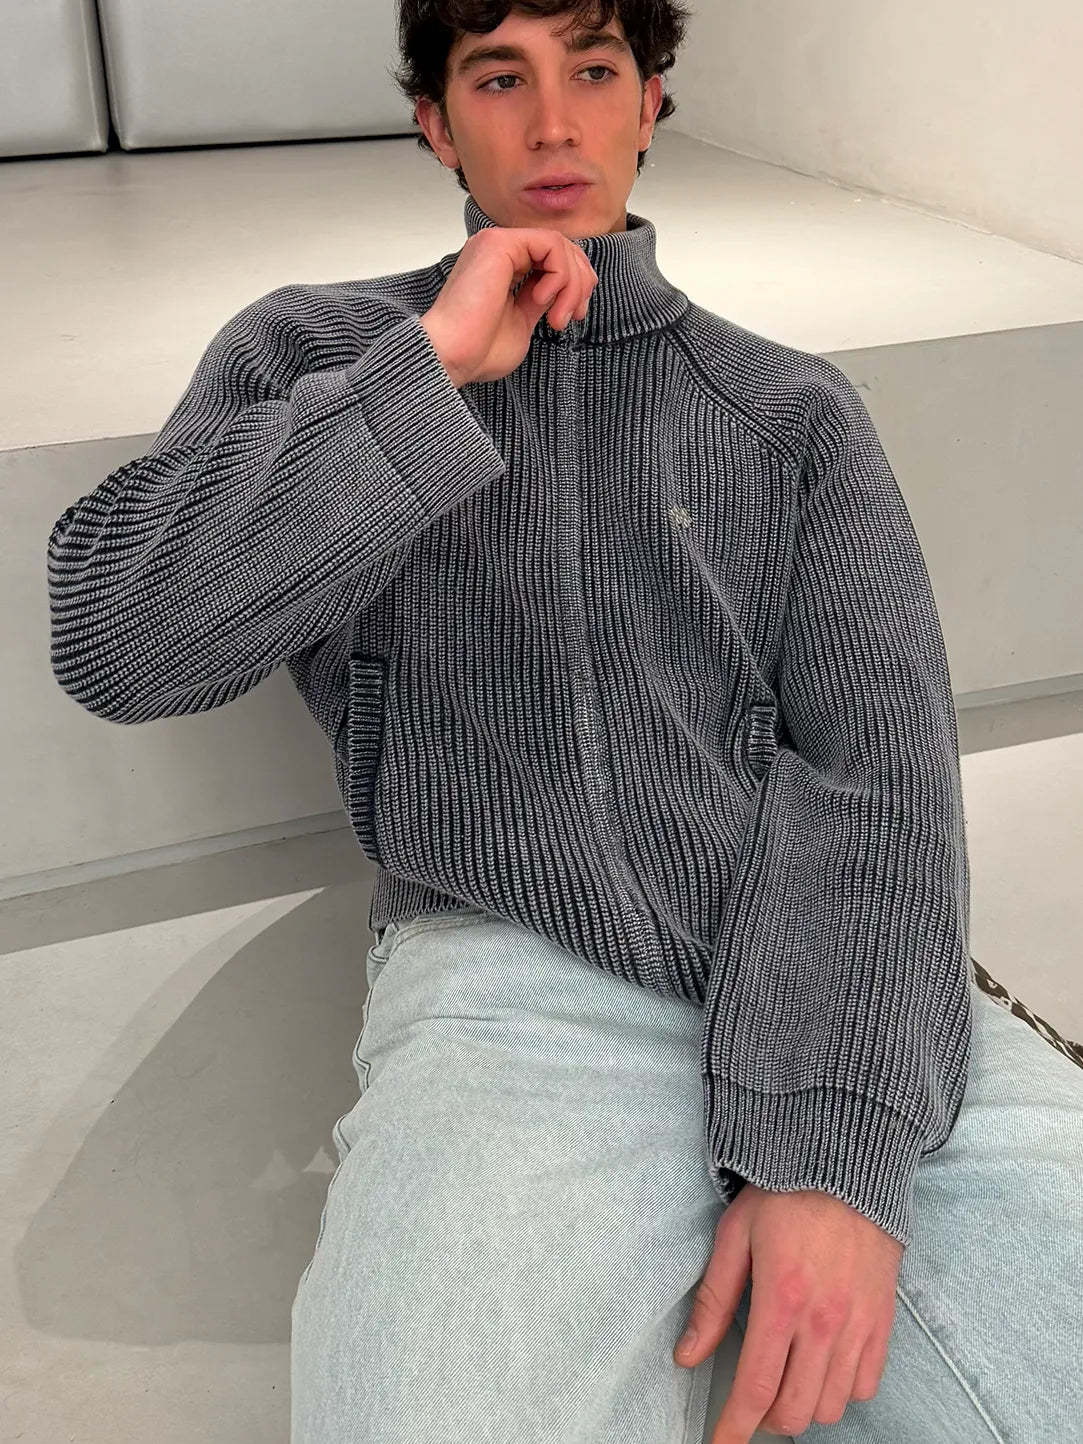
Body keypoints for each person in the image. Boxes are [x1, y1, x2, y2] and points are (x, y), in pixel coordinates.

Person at [46, 4, 1083, 1441]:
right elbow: (118, 636)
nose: (552, 124)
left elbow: (880, 774)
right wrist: (429, 372)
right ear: (434, 122)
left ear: (650, 103)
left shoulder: (791, 411)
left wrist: (832, 1151)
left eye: (594, 71)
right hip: (515, 998)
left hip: (839, 972)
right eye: (499, 78)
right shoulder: (318, 352)